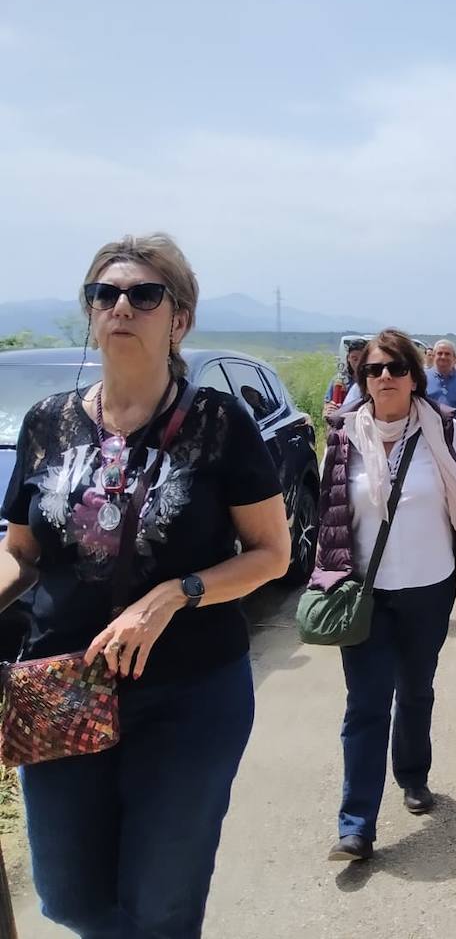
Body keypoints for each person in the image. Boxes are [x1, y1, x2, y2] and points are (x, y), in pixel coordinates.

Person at [0, 233, 292, 937]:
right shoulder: (47, 424)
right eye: (106, 293)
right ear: (92, 314)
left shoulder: (221, 424)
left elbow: (271, 554)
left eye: (144, 293)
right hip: (65, 685)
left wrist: (173, 594)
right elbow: (21, 554)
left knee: (160, 902)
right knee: (68, 895)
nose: (121, 305)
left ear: (179, 318)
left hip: (189, 694)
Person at [314, 328, 456, 863]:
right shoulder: (345, 436)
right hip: (365, 595)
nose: (386, 377)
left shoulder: (442, 430)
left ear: (414, 376)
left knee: (415, 690)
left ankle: (413, 776)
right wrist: (327, 576)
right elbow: (331, 514)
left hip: (427, 588)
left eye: (396, 368)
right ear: (362, 379)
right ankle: (356, 825)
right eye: (374, 370)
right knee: (366, 704)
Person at [426, 339, 456, 418]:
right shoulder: (423, 378)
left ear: (454, 358)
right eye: (440, 353)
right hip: (430, 428)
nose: (443, 357)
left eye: (447, 354)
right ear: (433, 356)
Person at [324, 338, 367, 416]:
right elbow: (327, 406)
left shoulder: (373, 380)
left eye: (362, 359)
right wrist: (328, 411)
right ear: (348, 358)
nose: (358, 364)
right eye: (355, 359)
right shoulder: (339, 381)